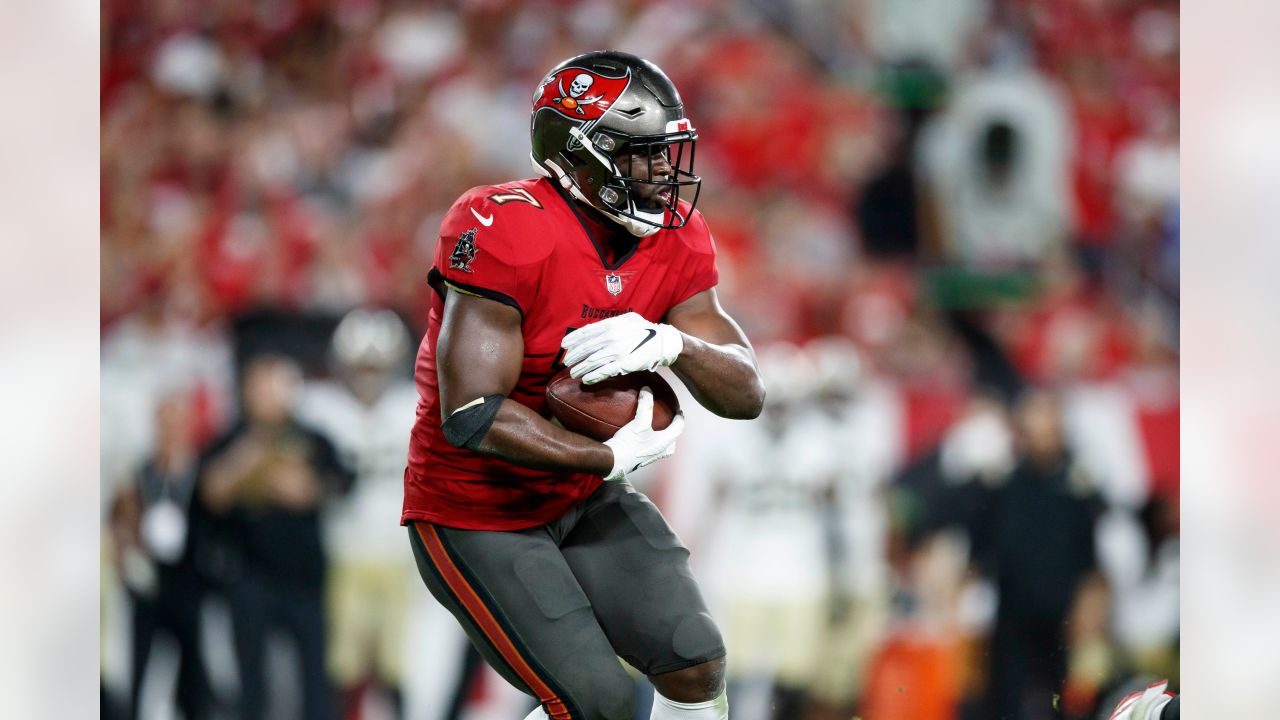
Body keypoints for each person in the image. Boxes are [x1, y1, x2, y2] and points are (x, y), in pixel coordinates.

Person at [401, 51, 765, 720]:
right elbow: (474, 413)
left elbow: (747, 393)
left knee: (695, 660)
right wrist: (606, 456)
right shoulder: (504, 225)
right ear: (582, 156)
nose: (663, 173)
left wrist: (673, 343)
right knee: (598, 703)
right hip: (475, 509)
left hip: (582, 497)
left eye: (667, 153)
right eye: (641, 155)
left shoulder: (676, 240)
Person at [198, 354, 353, 720]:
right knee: (253, 683)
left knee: (315, 681)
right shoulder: (234, 438)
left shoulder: (311, 438)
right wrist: (250, 452)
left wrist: (312, 489)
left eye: (274, 384)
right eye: (259, 385)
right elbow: (210, 493)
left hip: (305, 577)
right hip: (249, 577)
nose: (267, 394)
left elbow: (344, 481)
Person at [296, 308, 420, 719]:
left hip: (398, 550)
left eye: (376, 364)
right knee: (342, 665)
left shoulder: (413, 406)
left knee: (396, 664)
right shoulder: (318, 407)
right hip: (342, 548)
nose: (368, 374)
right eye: (361, 365)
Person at [108, 392, 213, 720]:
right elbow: (119, 522)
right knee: (139, 668)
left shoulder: (204, 472)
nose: (170, 431)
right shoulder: (139, 473)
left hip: (192, 583)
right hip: (148, 586)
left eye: (177, 423)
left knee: (195, 672)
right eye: (163, 423)